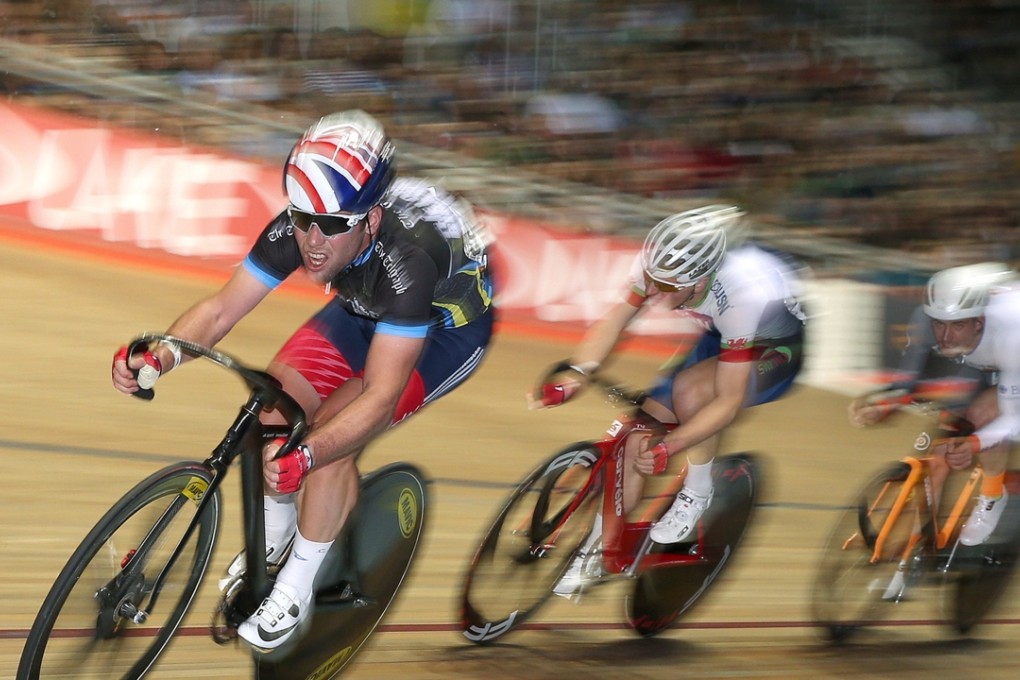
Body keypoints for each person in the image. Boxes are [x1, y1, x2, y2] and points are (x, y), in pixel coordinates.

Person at [111, 110, 495, 650]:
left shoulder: (408, 262)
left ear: (371, 220)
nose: (313, 241)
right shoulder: (314, 219)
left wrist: (310, 455)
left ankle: (297, 584)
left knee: (332, 440)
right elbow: (222, 311)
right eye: (301, 218)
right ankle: (277, 530)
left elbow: (381, 398)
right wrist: (161, 354)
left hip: (442, 332)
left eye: (333, 225)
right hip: (363, 307)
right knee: (272, 409)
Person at [536, 204, 808, 596]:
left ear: (699, 282)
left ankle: (697, 492)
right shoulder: (658, 267)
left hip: (775, 350)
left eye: (666, 286)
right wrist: (578, 372)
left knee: (693, 393)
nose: (654, 291)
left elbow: (727, 402)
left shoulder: (740, 295)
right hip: (720, 337)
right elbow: (617, 318)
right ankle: (595, 550)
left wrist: (673, 447)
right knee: (636, 437)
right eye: (651, 279)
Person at [848, 262, 1019, 551]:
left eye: (957, 326)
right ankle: (918, 546)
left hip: (1012, 360)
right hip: (985, 359)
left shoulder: (1010, 336)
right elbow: (908, 381)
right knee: (942, 449)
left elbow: (1014, 420)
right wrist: (885, 405)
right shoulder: (930, 317)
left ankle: (993, 496)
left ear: (978, 320)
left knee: (984, 417)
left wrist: (976, 443)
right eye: (938, 324)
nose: (945, 336)